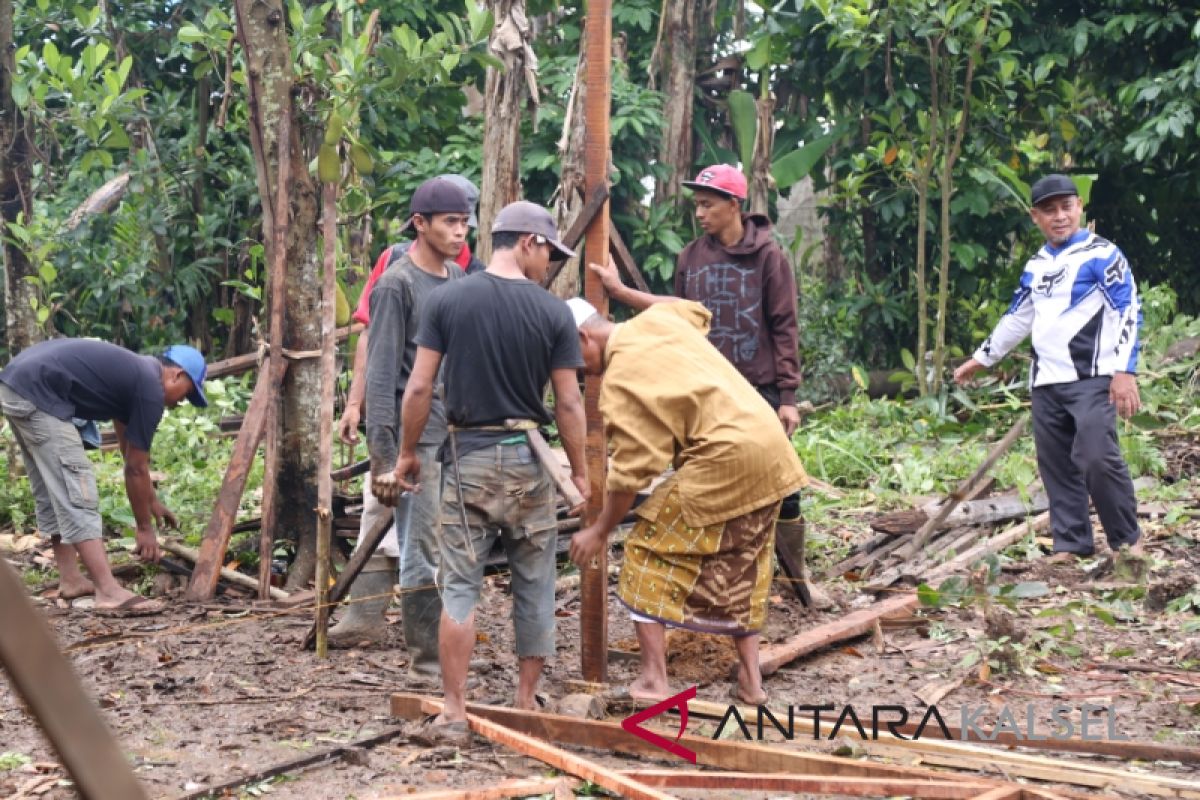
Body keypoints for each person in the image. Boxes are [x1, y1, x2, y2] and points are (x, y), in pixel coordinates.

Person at [385, 200, 589, 742]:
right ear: (529, 243)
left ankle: (455, 710)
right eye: (551, 253)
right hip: (528, 462)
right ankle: (524, 701)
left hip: (465, 459)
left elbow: (420, 387)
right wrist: (584, 476)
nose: (550, 266)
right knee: (535, 583)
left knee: (459, 588)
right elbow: (569, 405)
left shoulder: (448, 300)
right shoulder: (552, 313)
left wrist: (408, 453)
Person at [591, 163, 830, 607]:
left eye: (708, 205)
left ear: (734, 206)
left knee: (785, 490)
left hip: (757, 387)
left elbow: (784, 325)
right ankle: (717, 584)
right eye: (697, 205)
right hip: (704, 391)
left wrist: (789, 396)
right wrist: (620, 292)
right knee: (706, 488)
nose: (700, 213)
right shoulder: (691, 257)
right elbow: (675, 311)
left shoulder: (769, 257)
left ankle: (798, 580)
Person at [565, 298, 807, 705]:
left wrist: (599, 530)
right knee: (743, 560)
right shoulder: (658, 319)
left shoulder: (621, 377)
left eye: (572, 359)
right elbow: (696, 310)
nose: (576, 372)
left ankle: (653, 681)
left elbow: (633, 471)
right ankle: (751, 682)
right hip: (772, 452)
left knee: (643, 553)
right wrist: (622, 289)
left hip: (724, 459)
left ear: (583, 336)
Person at [954, 173, 1143, 562]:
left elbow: (1126, 311)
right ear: (1034, 217)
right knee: (1056, 466)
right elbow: (1018, 317)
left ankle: (1128, 544)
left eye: (1066, 207)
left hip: (1093, 379)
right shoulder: (1036, 265)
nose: (1059, 216)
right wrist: (982, 358)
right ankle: (1071, 546)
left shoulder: (1103, 255)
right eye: (1049, 210)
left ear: (1079, 208)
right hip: (1046, 382)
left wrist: (1126, 372)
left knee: (1096, 457)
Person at [328, 179, 472, 673]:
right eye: (450, 222)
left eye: (464, 222)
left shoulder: (456, 280)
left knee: (442, 544)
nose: (460, 231)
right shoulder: (397, 283)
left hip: (451, 436)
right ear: (420, 224)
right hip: (415, 439)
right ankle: (429, 662)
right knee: (420, 549)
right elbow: (386, 371)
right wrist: (384, 459)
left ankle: (442, 647)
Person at [0, 339, 208, 616]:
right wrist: (145, 529)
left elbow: (130, 453)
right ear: (176, 374)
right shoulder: (150, 389)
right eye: (187, 393)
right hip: (39, 391)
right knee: (77, 486)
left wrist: (151, 500)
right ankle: (108, 591)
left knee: (53, 489)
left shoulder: (137, 376)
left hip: (17, 385)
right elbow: (135, 468)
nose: (182, 402)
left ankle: (71, 580)